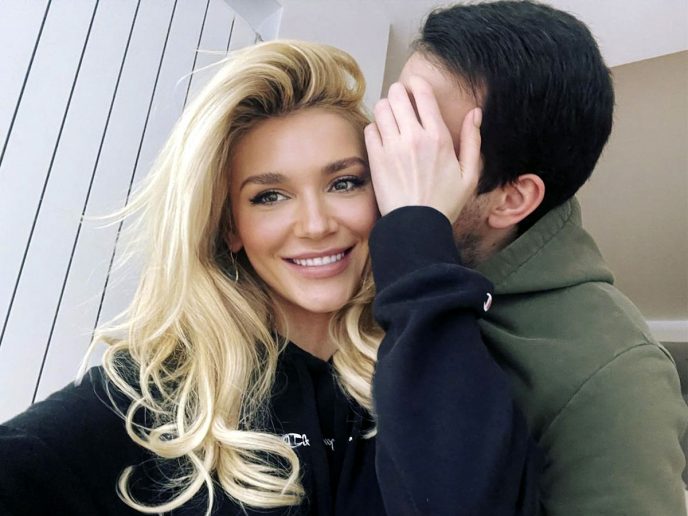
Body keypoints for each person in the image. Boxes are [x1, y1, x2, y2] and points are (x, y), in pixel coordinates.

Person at [0, 40, 541, 515]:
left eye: (345, 183)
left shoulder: (446, 358)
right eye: (270, 196)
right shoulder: (151, 398)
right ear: (229, 226)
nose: (316, 224)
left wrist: (419, 229)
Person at [365, 1, 688, 515]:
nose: (384, 157)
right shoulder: (353, 248)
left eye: (426, 146)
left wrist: (417, 239)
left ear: (511, 199)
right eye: (394, 121)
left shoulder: (616, 378)